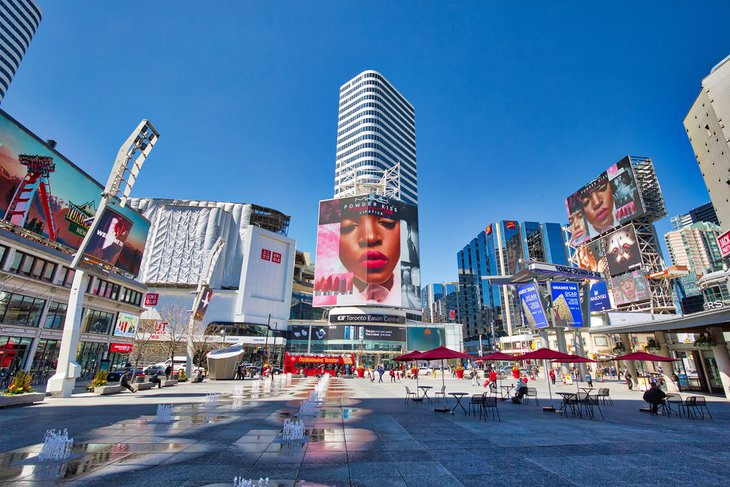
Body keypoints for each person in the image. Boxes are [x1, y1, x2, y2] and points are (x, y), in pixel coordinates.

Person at [336, 198, 402, 306]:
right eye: (348, 227)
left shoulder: (411, 299)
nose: (370, 237)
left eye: (386, 223)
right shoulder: (332, 296)